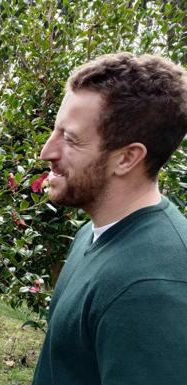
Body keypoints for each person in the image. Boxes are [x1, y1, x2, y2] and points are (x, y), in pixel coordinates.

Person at [32, 52, 187, 385]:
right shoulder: (94, 232)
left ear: (127, 158)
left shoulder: (150, 289)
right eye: (55, 130)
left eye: (70, 139)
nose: (47, 151)